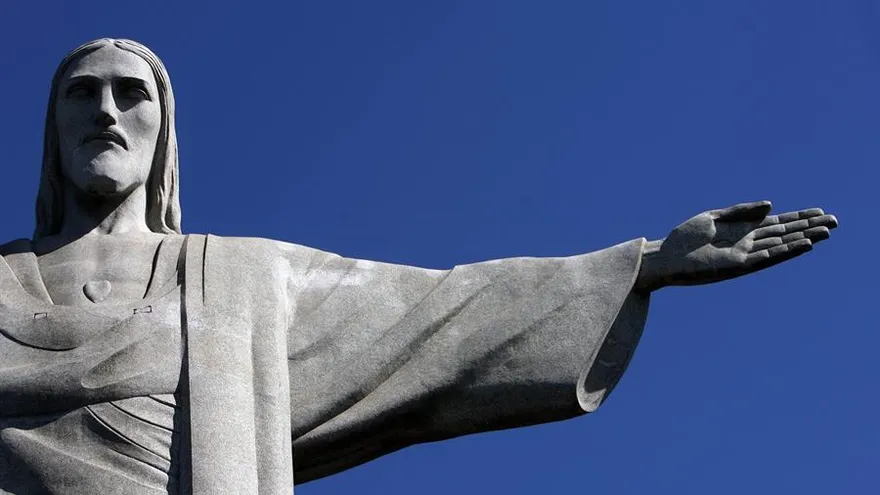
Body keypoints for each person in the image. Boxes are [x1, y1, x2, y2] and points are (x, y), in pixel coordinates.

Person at [0, 38, 837, 495]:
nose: (106, 110)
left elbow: (437, 309)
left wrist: (646, 264)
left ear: (163, 133)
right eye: (82, 92)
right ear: (53, 128)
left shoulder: (241, 280)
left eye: (130, 92)